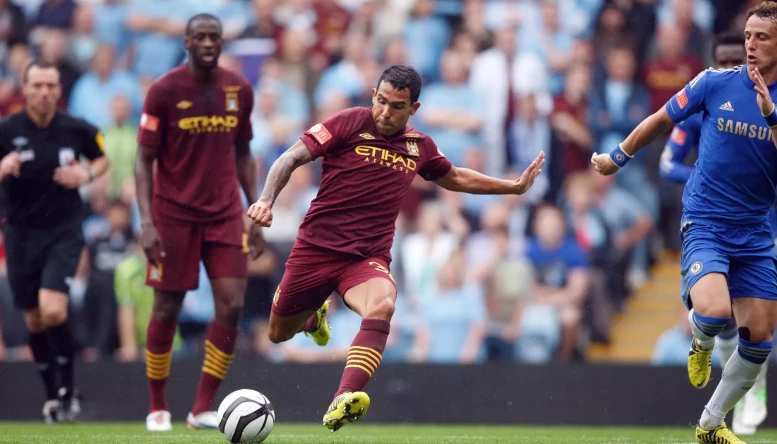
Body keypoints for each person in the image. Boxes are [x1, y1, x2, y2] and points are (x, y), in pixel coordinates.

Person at [247, 64, 545, 432]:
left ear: (413, 109)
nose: (385, 112)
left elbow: (454, 177)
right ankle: (313, 317)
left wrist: (512, 187)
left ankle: (344, 396)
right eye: (381, 101)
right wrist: (265, 200)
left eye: (396, 106)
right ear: (373, 94)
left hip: (366, 258)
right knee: (279, 333)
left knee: (384, 304)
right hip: (315, 250)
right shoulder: (348, 122)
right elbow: (290, 157)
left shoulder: (419, 146)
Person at [592, 4, 777, 443]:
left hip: (756, 232)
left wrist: (770, 114)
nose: (751, 45)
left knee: (760, 340)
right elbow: (661, 119)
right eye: (748, 36)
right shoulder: (714, 82)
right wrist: (618, 158)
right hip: (707, 219)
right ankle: (701, 341)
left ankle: (710, 425)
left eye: (762, 38)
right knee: (713, 312)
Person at [135, 13, 263, 432]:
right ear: (187, 42)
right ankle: (157, 406)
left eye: (214, 37)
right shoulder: (164, 90)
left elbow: (243, 152)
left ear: (222, 43)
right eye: (200, 37)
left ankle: (202, 407)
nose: (208, 42)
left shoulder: (239, 89)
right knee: (167, 307)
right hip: (172, 214)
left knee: (233, 304)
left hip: (225, 213)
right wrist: (147, 221)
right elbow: (143, 161)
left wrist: (255, 209)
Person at [658, 31, 768, 436]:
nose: (727, 67)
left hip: (760, 222)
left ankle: (751, 393)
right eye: (720, 60)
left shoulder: (766, 105)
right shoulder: (701, 106)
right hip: (709, 217)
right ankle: (725, 374)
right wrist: (713, 181)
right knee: (718, 316)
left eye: (734, 60)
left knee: (758, 327)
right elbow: (668, 164)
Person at [0, 60, 110, 423]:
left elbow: (102, 157)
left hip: (63, 230)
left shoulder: (75, 128)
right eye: (37, 86)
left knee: (53, 310)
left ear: (58, 90)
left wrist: (86, 173)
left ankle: (68, 386)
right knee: (33, 319)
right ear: (25, 88)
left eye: (50, 85)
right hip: (19, 232)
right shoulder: (8, 129)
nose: (44, 92)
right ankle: (54, 395)